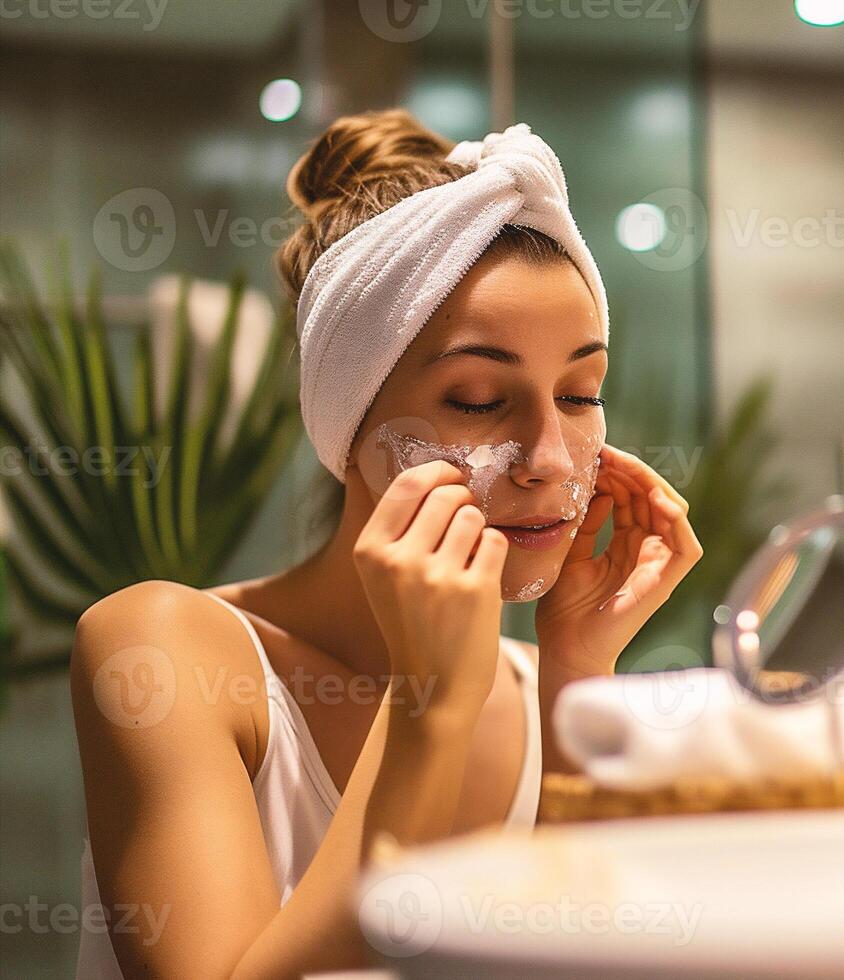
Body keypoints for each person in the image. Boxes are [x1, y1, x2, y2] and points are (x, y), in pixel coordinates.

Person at [69, 109, 702, 979]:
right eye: (479, 400)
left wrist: (578, 673)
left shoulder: (539, 693)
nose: (551, 461)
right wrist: (426, 706)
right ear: (350, 425)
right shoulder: (163, 650)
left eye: (581, 393)